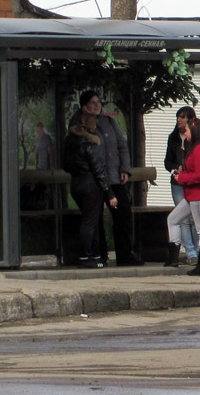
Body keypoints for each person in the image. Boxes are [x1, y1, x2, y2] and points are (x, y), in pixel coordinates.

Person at [74, 90, 144, 266]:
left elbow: (122, 147)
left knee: (123, 215)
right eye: (92, 102)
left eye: (98, 102)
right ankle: (100, 256)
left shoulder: (109, 122)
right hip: (94, 182)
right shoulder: (79, 125)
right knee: (95, 220)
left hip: (114, 179)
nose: (96, 105)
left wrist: (125, 169)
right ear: (84, 106)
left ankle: (125, 255)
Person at [62, 112, 118, 268]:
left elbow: (65, 165)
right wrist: (109, 193)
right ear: (92, 125)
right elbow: (99, 170)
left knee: (88, 220)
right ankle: (87, 257)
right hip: (91, 186)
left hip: (76, 184)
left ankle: (94, 255)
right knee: (90, 222)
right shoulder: (91, 143)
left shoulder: (69, 142)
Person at [165, 116, 200, 276]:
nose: (184, 133)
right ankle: (173, 256)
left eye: (186, 130)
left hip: (199, 195)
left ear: (194, 130)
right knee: (173, 219)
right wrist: (183, 174)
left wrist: (182, 178)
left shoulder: (199, 149)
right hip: (193, 195)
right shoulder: (197, 147)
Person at [163, 105, 198, 264]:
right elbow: (167, 161)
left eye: (182, 117)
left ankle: (197, 250)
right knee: (181, 218)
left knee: (194, 217)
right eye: (178, 117)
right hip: (177, 182)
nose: (179, 120)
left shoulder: (196, 138)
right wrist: (173, 170)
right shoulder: (173, 137)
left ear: (190, 120)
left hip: (192, 182)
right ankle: (190, 252)